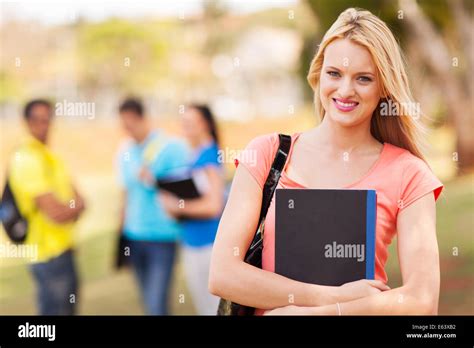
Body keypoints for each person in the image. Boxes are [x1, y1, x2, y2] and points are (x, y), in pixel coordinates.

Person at [209, 8, 444, 315]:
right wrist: (326, 297)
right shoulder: (267, 155)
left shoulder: (409, 174)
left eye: (363, 78)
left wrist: (320, 313)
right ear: (318, 75)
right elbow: (223, 274)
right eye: (334, 74)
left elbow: (422, 300)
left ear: (384, 87)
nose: (345, 90)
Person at [8, 99, 85, 315]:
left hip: (64, 247)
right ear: (26, 121)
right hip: (46, 253)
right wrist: (75, 208)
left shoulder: (49, 155)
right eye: (38, 119)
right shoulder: (26, 157)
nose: (44, 125)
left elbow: (81, 200)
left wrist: (74, 207)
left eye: (48, 119)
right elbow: (57, 213)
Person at [116, 98, 189, 315]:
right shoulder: (124, 151)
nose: (128, 130)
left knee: (157, 302)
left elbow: (184, 190)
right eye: (124, 125)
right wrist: (120, 231)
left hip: (162, 236)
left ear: (142, 118)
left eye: (130, 123)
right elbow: (125, 192)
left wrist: (154, 180)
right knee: (148, 301)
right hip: (134, 235)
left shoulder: (170, 147)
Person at [161, 104, 224, 315]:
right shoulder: (194, 156)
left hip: (208, 245)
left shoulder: (209, 156)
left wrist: (177, 206)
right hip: (192, 242)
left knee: (214, 309)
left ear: (204, 124)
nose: (185, 128)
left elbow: (213, 206)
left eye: (190, 123)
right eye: (183, 122)